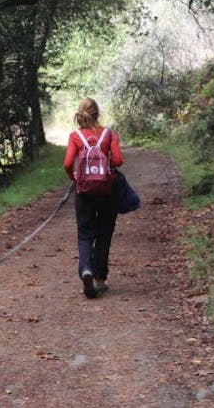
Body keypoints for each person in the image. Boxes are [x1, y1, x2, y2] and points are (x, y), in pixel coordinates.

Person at [63, 98, 123, 298]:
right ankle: (99, 278)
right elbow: (118, 161)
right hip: (107, 191)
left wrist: (76, 178)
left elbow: (67, 163)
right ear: (98, 114)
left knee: (85, 234)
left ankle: (86, 269)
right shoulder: (108, 134)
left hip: (84, 192)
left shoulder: (75, 136)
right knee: (104, 234)